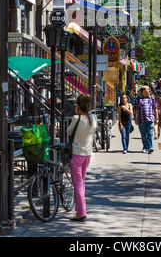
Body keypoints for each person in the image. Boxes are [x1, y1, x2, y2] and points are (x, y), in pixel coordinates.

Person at [67, 93, 97, 223]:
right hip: (87, 154)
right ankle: (80, 209)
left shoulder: (76, 118)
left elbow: (69, 132)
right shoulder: (93, 118)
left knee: (78, 184)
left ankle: (81, 212)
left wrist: (77, 112)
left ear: (78, 105)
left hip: (76, 154)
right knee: (82, 182)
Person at [133, 85, 158, 153]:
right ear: (143, 91)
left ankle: (150, 147)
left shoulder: (151, 98)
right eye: (147, 89)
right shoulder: (138, 99)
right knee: (143, 135)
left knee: (150, 134)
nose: (149, 90)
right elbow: (134, 110)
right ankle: (145, 147)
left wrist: (157, 118)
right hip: (141, 119)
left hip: (150, 119)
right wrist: (135, 119)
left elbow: (155, 108)